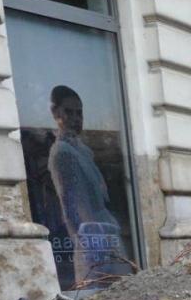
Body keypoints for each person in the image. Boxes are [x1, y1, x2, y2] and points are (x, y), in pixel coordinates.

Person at [47, 84, 130, 288]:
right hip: (92, 235)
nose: (76, 119)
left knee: (124, 290)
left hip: (104, 231)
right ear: (56, 113)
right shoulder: (63, 153)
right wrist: (92, 244)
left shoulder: (82, 151)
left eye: (79, 113)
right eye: (69, 112)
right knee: (100, 293)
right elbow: (73, 205)